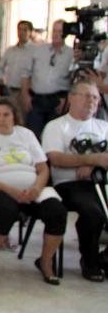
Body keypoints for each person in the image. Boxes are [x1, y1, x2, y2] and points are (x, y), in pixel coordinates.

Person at [0, 98, 67, 284]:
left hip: (32, 188)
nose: (1, 119)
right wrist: (12, 191)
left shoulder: (27, 135)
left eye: (6, 115)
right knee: (8, 210)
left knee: (57, 212)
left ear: (15, 116)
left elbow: (43, 168)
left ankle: (45, 262)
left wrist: (37, 188)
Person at [41, 79, 108, 281]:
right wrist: (93, 159)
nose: (92, 101)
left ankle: (105, 258)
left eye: (95, 97)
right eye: (86, 95)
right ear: (71, 98)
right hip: (69, 184)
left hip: (102, 183)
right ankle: (89, 262)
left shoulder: (104, 126)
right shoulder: (56, 126)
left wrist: (92, 165)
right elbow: (56, 159)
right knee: (93, 213)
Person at [21, 20, 73, 138]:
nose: (56, 34)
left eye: (60, 31)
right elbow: (25, 74)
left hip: (58, 101)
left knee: (54, 136)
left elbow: (74, 79)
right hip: (37, 100)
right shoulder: (39, 50)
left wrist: (68, 99)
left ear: (66, 33)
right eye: (54, 31)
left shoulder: (71, 53)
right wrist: (25, 95)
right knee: (33, 135)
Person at [0, 21, 34, 108]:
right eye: (19, 29)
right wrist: (1, 84)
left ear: (30, 32)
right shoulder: (10, 50)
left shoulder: (35, 50)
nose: (21, 32)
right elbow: (0, 68)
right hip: (9, 90)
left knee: (24, 118)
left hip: (27, 92)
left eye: (25, 30)